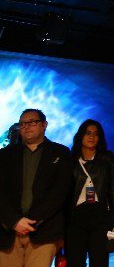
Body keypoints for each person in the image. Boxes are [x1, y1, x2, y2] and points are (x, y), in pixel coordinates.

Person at [0, 109, 72, 267]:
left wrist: (32, 221)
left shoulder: (61, 153)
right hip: (8, 232)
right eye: (22, 123)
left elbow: (60, 192)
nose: (26, 126)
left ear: (44, 125)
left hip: (44, 232)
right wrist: (14, 221)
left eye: (32, 122)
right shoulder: (5, 155)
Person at [66, 119, 114, 267]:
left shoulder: (107, 158)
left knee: (99, 261)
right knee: (74, 261)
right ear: (81, 135)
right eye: (88, 133)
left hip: (99, 215)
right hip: (75, 216)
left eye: (96, 134)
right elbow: (64, 192)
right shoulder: (71, 159)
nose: (92, 137)